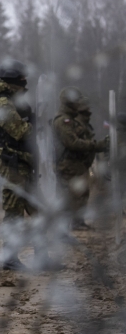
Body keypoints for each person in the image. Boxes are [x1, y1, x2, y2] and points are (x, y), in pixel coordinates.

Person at [0, 59, 48, 271]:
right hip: (13, 165)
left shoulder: (16, 103)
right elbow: (21, 131)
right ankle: (10, 258)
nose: (25, 84)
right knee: (14, 213)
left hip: (25, 163)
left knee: (38, 211)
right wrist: (36, 124)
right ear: (13, 80)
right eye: (22, 80)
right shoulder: (3, 104)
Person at [52, 87, 108, 231]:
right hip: (68, 164)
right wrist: (96, 145)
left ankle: (77, 222)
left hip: (76, 163)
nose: (79, 103)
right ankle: (68, 226)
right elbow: (72, 143)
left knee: (81, 194)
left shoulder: (70, 119)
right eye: (76, 101)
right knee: (71, 196)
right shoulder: (63, 120)